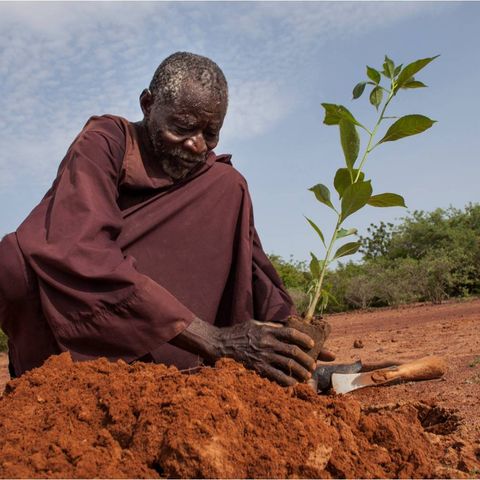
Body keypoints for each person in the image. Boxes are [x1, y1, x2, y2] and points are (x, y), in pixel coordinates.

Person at [0, 52, 332, 386]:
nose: (196, 145)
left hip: (158, 332)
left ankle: (211, 373)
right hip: (68, 326)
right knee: (15, 260)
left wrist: (291, 335)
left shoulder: (209, 178)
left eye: (211, 133)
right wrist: (215, 341)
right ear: (147, 104)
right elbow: (79, 249)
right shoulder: (104, 142)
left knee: (228, 186)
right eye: (182, 128)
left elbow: (252, 264)